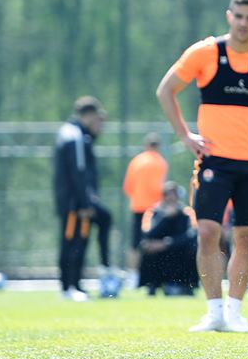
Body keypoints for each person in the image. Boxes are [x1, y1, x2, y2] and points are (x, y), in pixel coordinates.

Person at [156, 0, 248, 332]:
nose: (243, 23)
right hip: (213, 161)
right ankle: (214, 311)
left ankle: (235, 312)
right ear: (229, 16)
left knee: (246, 237)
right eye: (239, 16)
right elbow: (166, 90)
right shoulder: (205, 53)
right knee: (207, 232)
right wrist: (185, 135)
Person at [52, 96, 112, 301]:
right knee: (72, 241)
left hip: (76, 201)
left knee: (81, 239)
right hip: (74, 203)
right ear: (89, 115)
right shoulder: (74, 136)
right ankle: (69, 286)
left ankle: (75, 284)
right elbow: (78, 172)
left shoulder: (75, 134)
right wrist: (85, 203)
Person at [123, 133, 169, 288]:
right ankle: (155, 276)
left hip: (137, 206)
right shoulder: (160, 162)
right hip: (154, 209)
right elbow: (159, 187)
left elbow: (128, 187)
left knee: (135, 243)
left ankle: (133, 276)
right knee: (154, 242)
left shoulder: (136, 161)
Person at [139, 181, 199, 296]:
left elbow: (192, 234)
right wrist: (164, 217)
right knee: (146, 246)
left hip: (179, 249)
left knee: (193, 247)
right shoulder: (153, 211)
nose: (171, 198)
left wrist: (167, 244)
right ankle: (152, 285)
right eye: (168, 194)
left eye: (174, 194)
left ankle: (188, 286)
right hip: (158, 251)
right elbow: (147, 232)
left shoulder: (187, 212)